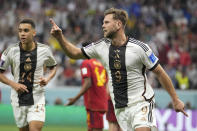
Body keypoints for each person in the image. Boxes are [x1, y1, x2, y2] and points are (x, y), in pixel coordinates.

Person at [50, 7, 188, 131]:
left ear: (118, 24)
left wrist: (175, 99)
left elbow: (160, 72)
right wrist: (60, 38)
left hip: (141, 103)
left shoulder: (140, 48)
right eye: (103, 22)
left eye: (106, 22)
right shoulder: (101, 46)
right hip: (120, 108)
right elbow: (74, 53)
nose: (103, 26)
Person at [0, 18, 57, 131]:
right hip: (18, 98)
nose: (22, 34)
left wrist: (48, 78)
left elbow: (53, 66)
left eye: (26, 30)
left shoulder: (45, 50)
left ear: (34, 33)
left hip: (37, 96)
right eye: (20, 30)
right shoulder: (10, 51)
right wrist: (14, 84)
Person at [66, 42, 108, 131]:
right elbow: (106, 84)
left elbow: (88, 83)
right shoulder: (100, 64)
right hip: (102, 102)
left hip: (93, 104)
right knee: (92, 128)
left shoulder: (86, 63)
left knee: (95, 128)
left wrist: (75, 99)